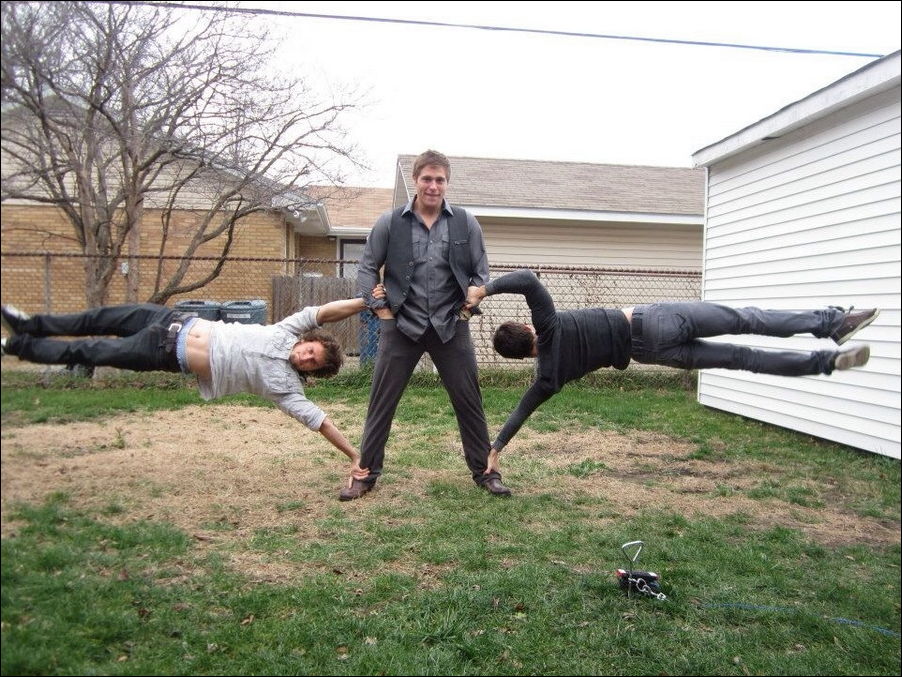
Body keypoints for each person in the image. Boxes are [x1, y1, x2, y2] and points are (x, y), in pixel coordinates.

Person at [465, 269, 878, 472]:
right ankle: (831, 323)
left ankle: (824, 364)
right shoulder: (548, 324)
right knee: (746, 319)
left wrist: (496, 448)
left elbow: (522, 410)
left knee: (743, 358)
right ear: (527, 328)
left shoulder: (547, 377)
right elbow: (528, 280)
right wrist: (484, 289)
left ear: (522, 357)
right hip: (655, 321)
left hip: (653, 353)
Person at [1, 299, 372, 478]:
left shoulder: (286, 389)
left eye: (312, 363)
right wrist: (365, 302)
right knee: (95, 318)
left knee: (89, 351)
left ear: (314, 372)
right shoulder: (286, 330)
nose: (305, 358)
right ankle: (29, 325)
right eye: (310, 351)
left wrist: (354, 455)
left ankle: (15, 346)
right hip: (170, 319)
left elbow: (321, 422)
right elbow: (323, 312)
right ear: (307, 341)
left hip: (161, 352)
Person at [345, 149, 510, 500]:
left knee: (469, 402)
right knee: (381, 403)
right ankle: (366, 474)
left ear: (447, 183)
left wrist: (470, 303)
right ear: (415, 181)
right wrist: (380, 310)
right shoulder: (390, 222)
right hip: (401, 326)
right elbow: (367, 267)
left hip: (451, 326)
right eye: (427, 179)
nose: (433, 186)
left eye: (440, 180)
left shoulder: (465, 222)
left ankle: (486, 473)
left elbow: (480, 272)